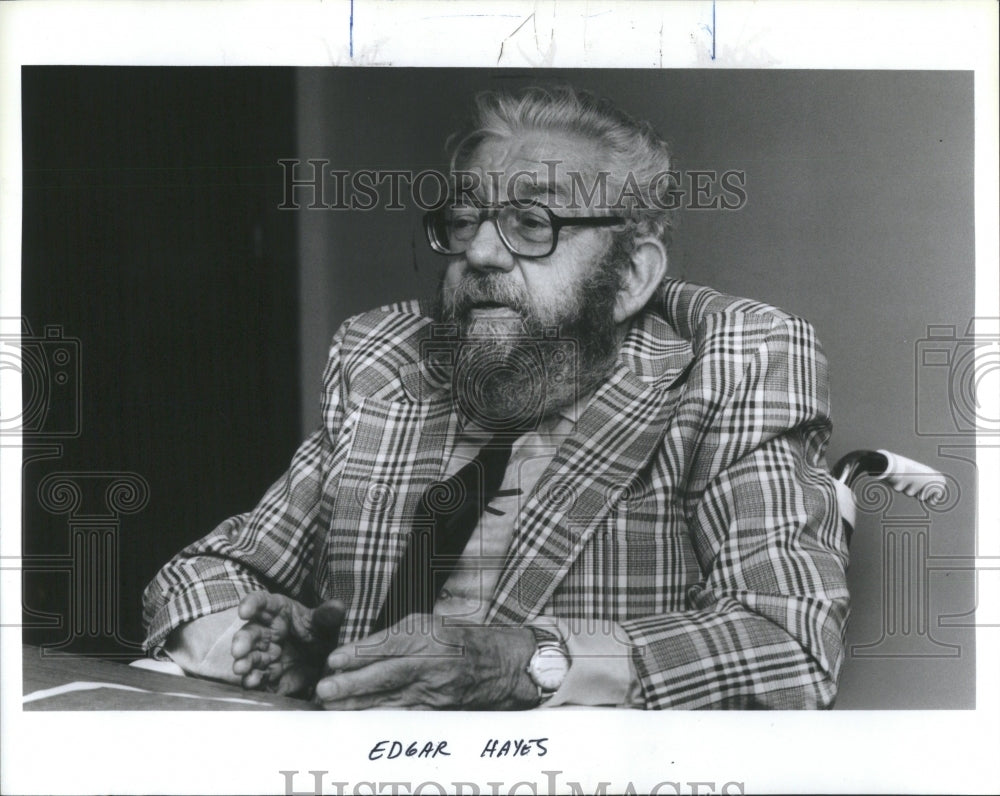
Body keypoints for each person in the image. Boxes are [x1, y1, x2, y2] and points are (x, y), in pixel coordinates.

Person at [142, 85, 850, 709]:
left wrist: (518, 664)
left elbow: (786, 642)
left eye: (532, 223)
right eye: (465, 220)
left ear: (632, 274)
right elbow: (206, 571)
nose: (479, 253)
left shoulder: (734, 362)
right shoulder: (385, 359)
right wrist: (273, 651)